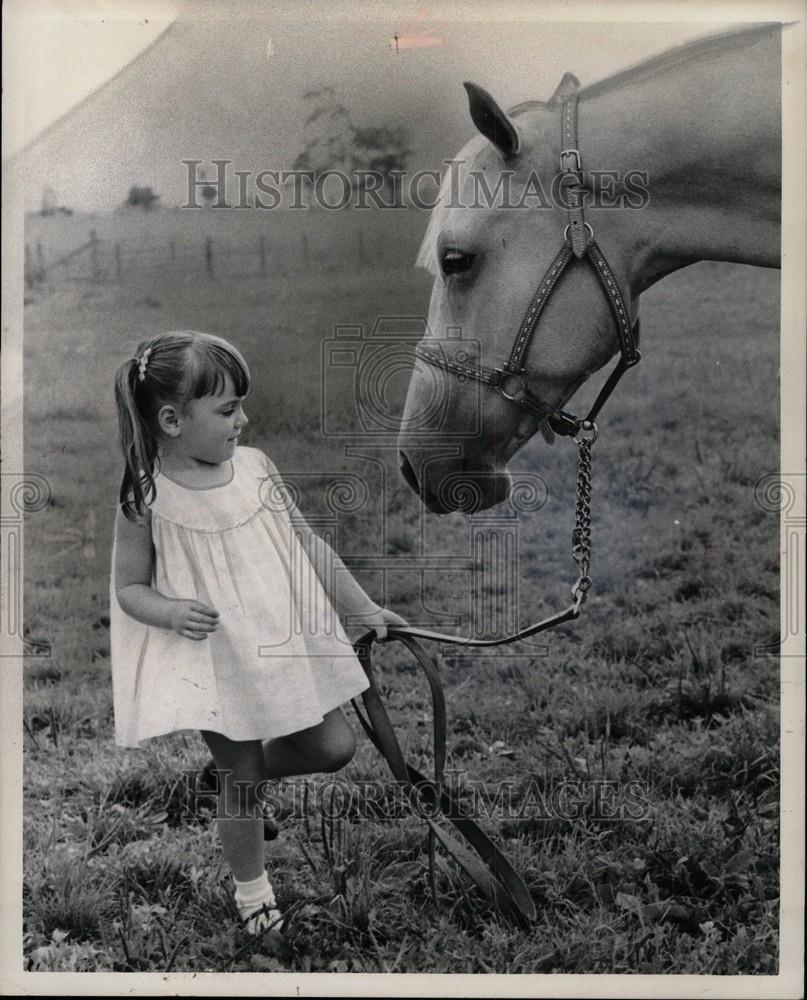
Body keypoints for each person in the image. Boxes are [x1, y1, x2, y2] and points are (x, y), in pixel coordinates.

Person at [110, 330, 407, 936]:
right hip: (217, 660)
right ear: (171, 419)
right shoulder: (146, 498)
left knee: (332, 748)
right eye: (226, 410)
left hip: (282, 643)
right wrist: (168, 611)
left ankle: (221, 786)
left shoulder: (255, 468)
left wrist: (364, 609)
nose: (244, 420)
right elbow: (128, 588)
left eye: (241, 405)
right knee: (241, 778)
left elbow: (308, 544)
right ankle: (253, 896)